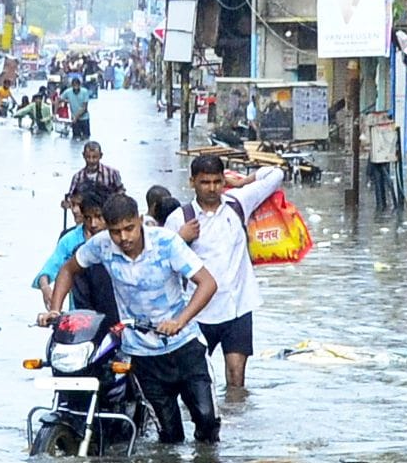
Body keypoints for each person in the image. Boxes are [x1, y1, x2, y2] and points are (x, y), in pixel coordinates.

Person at [40, 193, 222, 444]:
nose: (124, 238)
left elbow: (207, 283)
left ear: (140, 220)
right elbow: (69, 269)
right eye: (116, 231)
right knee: (169, 434)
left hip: (185, 345)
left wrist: (179, 321)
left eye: (129, 229)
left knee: (206, 419)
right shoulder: (100, 245)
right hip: (141, 352)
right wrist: (56, 310)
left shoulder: (166, 243)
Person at [164, 155, 284, 390]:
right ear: (192, 182)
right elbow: (160, 263)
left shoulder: (238, 202)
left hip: (237, 305)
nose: (211, 188)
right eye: (204, 182)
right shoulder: (180, 219)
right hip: (198, 312)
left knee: (236, 377)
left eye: (217, 182)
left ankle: (236, 420)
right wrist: (180, 239)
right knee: (194, 380)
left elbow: (276, 174)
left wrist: (242, 181)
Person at [35, 183, 110, 309]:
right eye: (72, 204)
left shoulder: (117, 239)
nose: (93, 224)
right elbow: (53, 268)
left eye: (98, 217)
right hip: (79, 312)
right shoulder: (69, 240)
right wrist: (45, 288)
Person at [61, 141, 124, 210]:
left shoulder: (112, 173)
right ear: (83, 156)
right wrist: (67, 203)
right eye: (88, 157)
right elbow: (71, 197)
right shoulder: (78, 177)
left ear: (101, 156)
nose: (91, 161)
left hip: (108, 214)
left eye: (94, 157)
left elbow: (121, 192)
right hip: (87, 215)